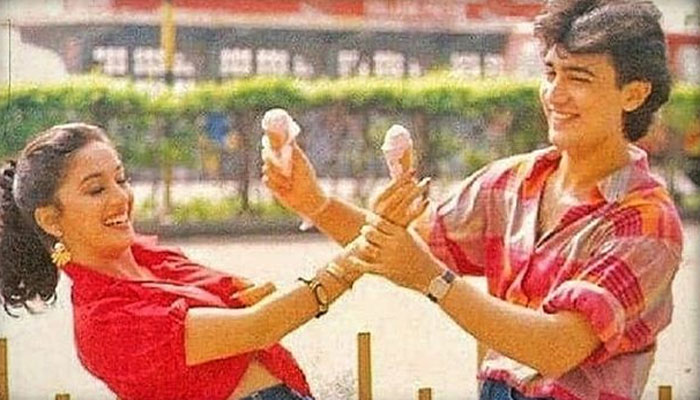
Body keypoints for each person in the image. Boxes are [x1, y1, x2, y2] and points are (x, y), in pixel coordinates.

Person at [262, 1, 683, 399]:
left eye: (579, 78)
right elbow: (404, 248)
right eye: (551, 72)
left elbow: (557, 348)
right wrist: (315, 202)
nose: (555, 94)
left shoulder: (645, 222)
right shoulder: (513, 182)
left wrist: (432, 278)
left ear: (634, 94)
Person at [0, 122, 373, 400]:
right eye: (96, 189)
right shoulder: (103, 323)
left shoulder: (149, 259)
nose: (121, 198)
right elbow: (257, 327)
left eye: (121, 179)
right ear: (50, 219)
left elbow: (250, 310)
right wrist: (362, 252)